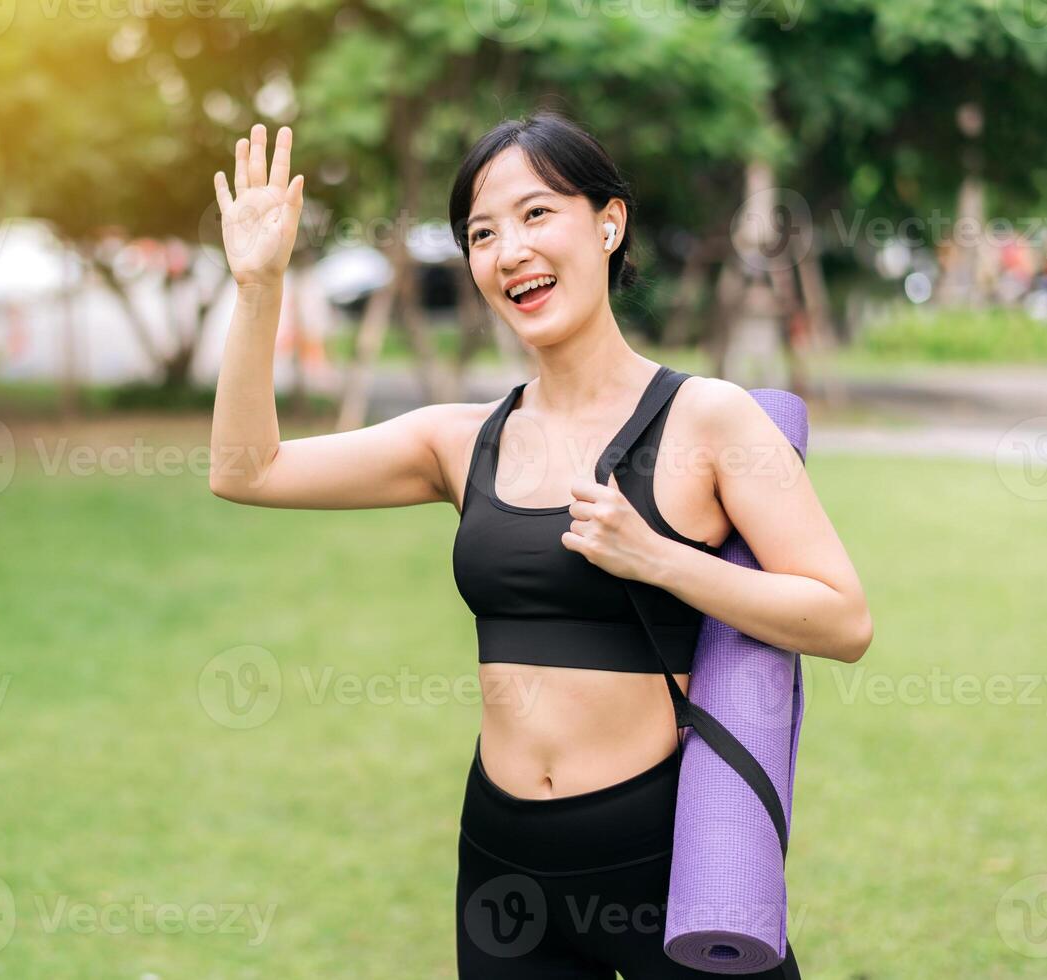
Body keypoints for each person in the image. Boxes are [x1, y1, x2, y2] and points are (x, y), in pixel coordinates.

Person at [208, 115, 872, 978]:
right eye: (480, 233)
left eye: (534, 214)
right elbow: (246, 470)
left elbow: (842, 617)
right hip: (503, 858)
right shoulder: (459, 440)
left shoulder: (708, 418)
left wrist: (658, 557)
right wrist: (259, 288)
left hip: (666, 853)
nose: (507, 250)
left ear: (607, 222)